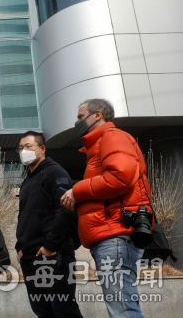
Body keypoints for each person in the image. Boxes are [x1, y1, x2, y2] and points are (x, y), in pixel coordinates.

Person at [61, 99, 153, 318]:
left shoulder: (112, 136)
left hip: (116, 233)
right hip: (112, 234)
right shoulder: (101, 144)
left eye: (81, 117)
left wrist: (77, 191)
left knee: (122, 308)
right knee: (122, 305)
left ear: (98, 114)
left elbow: (120, 177)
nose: (77, 122)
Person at [15, 131, 83, 318]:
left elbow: (65, 210)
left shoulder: (55, 172)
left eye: (28, 146)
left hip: (53, 255)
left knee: (64, 310)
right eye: (20, 148)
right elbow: (24, 217)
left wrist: (50, 246)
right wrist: (20, 247)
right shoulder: (28, 179)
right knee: (43, 311)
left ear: (42, 149)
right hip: (30, 256)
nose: (23, 151)